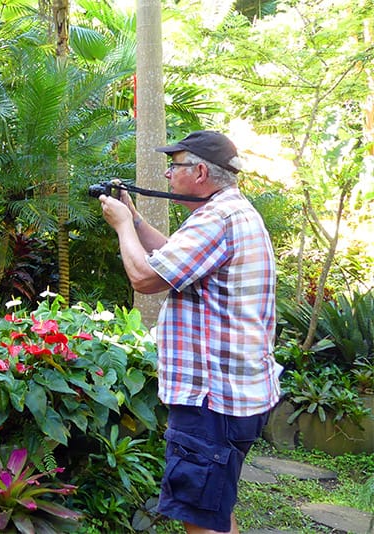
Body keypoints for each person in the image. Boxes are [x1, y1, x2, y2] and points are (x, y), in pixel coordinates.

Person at [99, 130, 282, 534]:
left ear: (200, 171)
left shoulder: (216, 219)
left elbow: (146, 277)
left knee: (200, 522)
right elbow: (175, 260)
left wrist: (122, 227)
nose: (166, 174)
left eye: (174, 165)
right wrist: (139, 221)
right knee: (214, 510)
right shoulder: (231, 212)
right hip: (234, 397)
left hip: (211, 401)